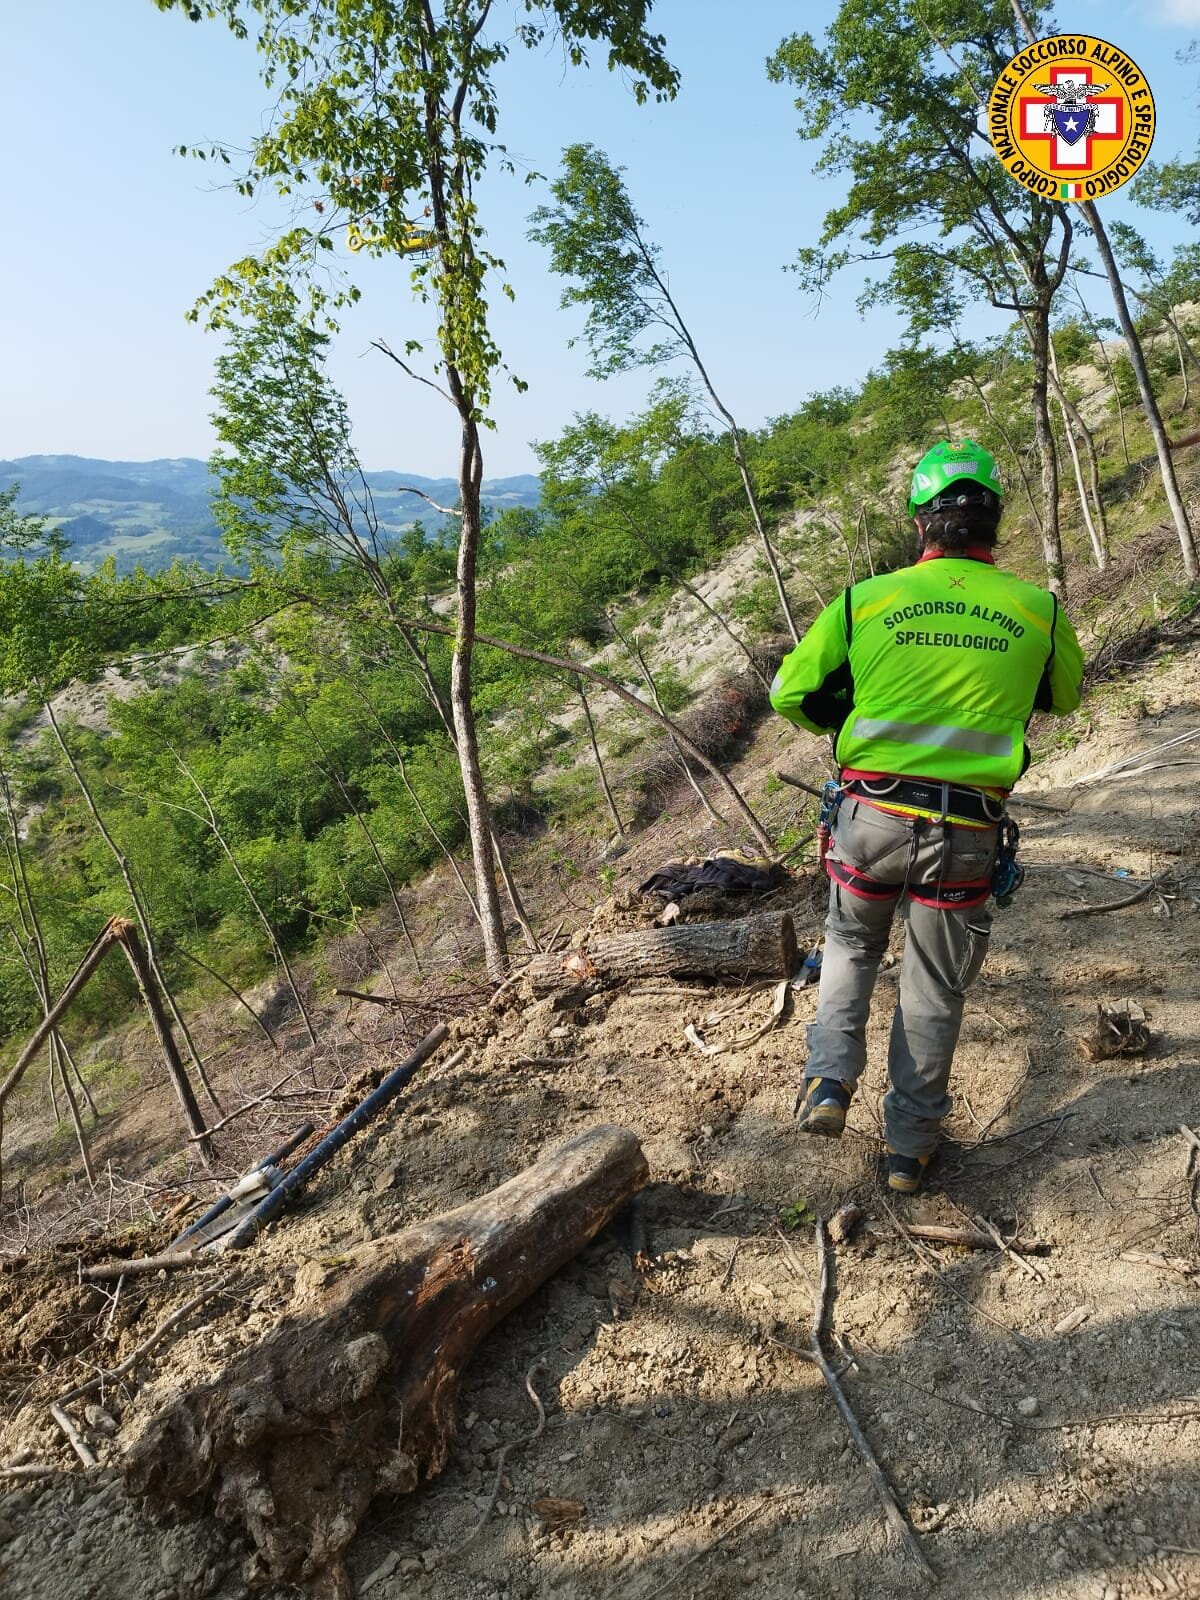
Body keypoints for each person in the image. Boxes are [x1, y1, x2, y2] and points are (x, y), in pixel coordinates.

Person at [770, 440, 1083, 1193]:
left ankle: (828, 1081)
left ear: (921, 523)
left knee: (851, 941)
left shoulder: (865, 601)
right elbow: (1065, 696)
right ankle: (908, 1150)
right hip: (965, 831)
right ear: (994, 523)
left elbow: (790, 693)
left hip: (870, 817)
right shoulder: (1037, 609)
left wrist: (855, 714)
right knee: (935, 985)